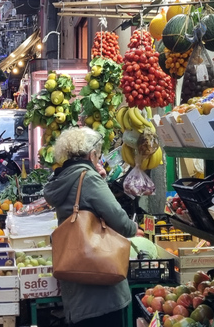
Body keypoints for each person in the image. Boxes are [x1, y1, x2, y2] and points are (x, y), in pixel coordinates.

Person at [43, 127, 143, 327]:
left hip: (75, 274)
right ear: (91, 154)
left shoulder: (63, 177)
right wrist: (135, 228)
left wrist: (101, 181)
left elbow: (84, 203)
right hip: (98, 282)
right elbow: (120, 221)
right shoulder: (88, 178)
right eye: (98, 155)